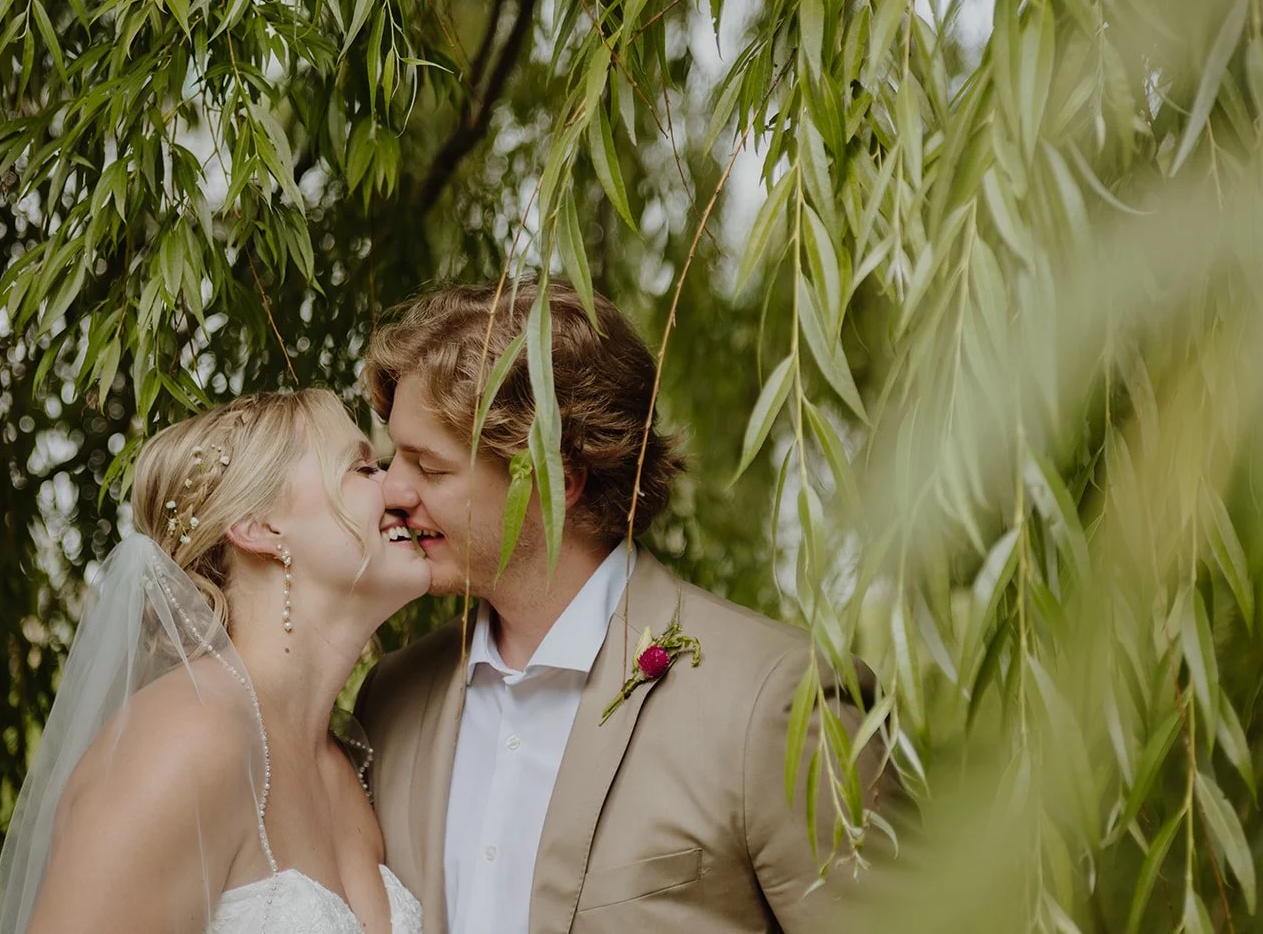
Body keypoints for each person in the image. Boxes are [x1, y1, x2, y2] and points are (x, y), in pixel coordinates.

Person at [354, 279, 892, 934]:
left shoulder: (776, 703)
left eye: (429, 467)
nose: (391, 492)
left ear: (559, 478)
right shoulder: (390, 698)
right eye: (391, 459)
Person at [0, 389, 429, 934]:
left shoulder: (343, 769)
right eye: (364, 468)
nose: (399, 487)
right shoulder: (184, 743)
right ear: (260, 526)